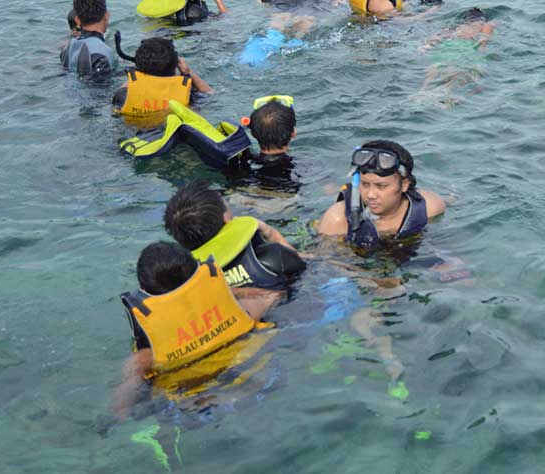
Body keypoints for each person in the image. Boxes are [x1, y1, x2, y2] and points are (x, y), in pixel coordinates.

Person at [113, 241, 284, 418]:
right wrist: (233, 292)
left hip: (193, 412)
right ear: (197, 274)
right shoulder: (241, 311)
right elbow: (275, 296)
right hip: (259, 384)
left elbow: (122, 406)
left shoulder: (146, 357)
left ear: (143, 290)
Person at [164, 180, 306, 289]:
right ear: (226, 218)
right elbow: (304, 265)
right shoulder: (272, 256)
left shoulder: (187, 281)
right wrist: (270, 232)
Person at [317, 140, 446, 249]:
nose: (371, 195)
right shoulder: (338, 221)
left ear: (404, 184)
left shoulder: (430, 207)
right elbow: (324, 261)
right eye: (365, 184)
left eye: (381, 186)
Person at [112, 37, 212, 127]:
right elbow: (209, 94)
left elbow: (127, 86)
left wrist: (139, 71)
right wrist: (188, 72)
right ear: (175, 66)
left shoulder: (124, 96)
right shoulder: (188, 95)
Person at [417, 8, 496, 107]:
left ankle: (422, 92)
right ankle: (450, 96)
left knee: (435, 69)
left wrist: (426, 46)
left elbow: (436, 38)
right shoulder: (486, 25)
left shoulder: (456, 27)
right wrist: (480, 50)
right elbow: (483, 40)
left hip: (447, 47)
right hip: (466, 46)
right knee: (467, 76)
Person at [60, 0, 116, 76]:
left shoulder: (67, 48)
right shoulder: (103, 53)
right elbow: (101, 84)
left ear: (77, 20)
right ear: (106, 15)